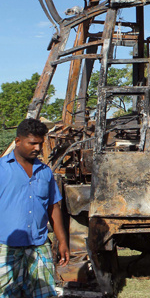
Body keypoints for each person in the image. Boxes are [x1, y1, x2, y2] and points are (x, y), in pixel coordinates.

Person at [0, 118, 69, 297]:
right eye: (32, 143)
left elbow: (53, 207)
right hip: (6, 248)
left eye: (40, 143)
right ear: (17, 141)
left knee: (45, 293)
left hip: (39, 246)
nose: (37, 148)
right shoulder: (1, 170)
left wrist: (62, 241)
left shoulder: (45, 172)